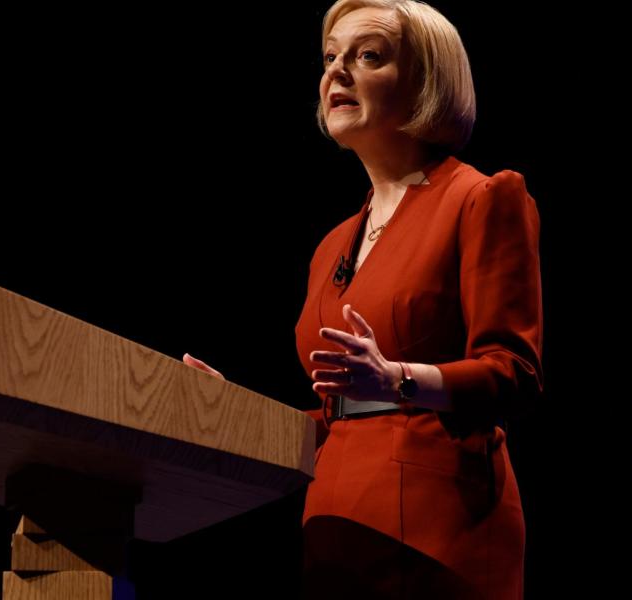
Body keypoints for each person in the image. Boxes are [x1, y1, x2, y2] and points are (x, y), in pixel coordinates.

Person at [185, 0, 543, 597]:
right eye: (330, 58)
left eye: (368, 57)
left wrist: (397, 377)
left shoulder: (482, 198)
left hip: (438, 522)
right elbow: (335, 414)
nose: (336, 73)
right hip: (336, 521)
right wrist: (238, 417)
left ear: (426, 82)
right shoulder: (331, 245)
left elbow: (515, 374)